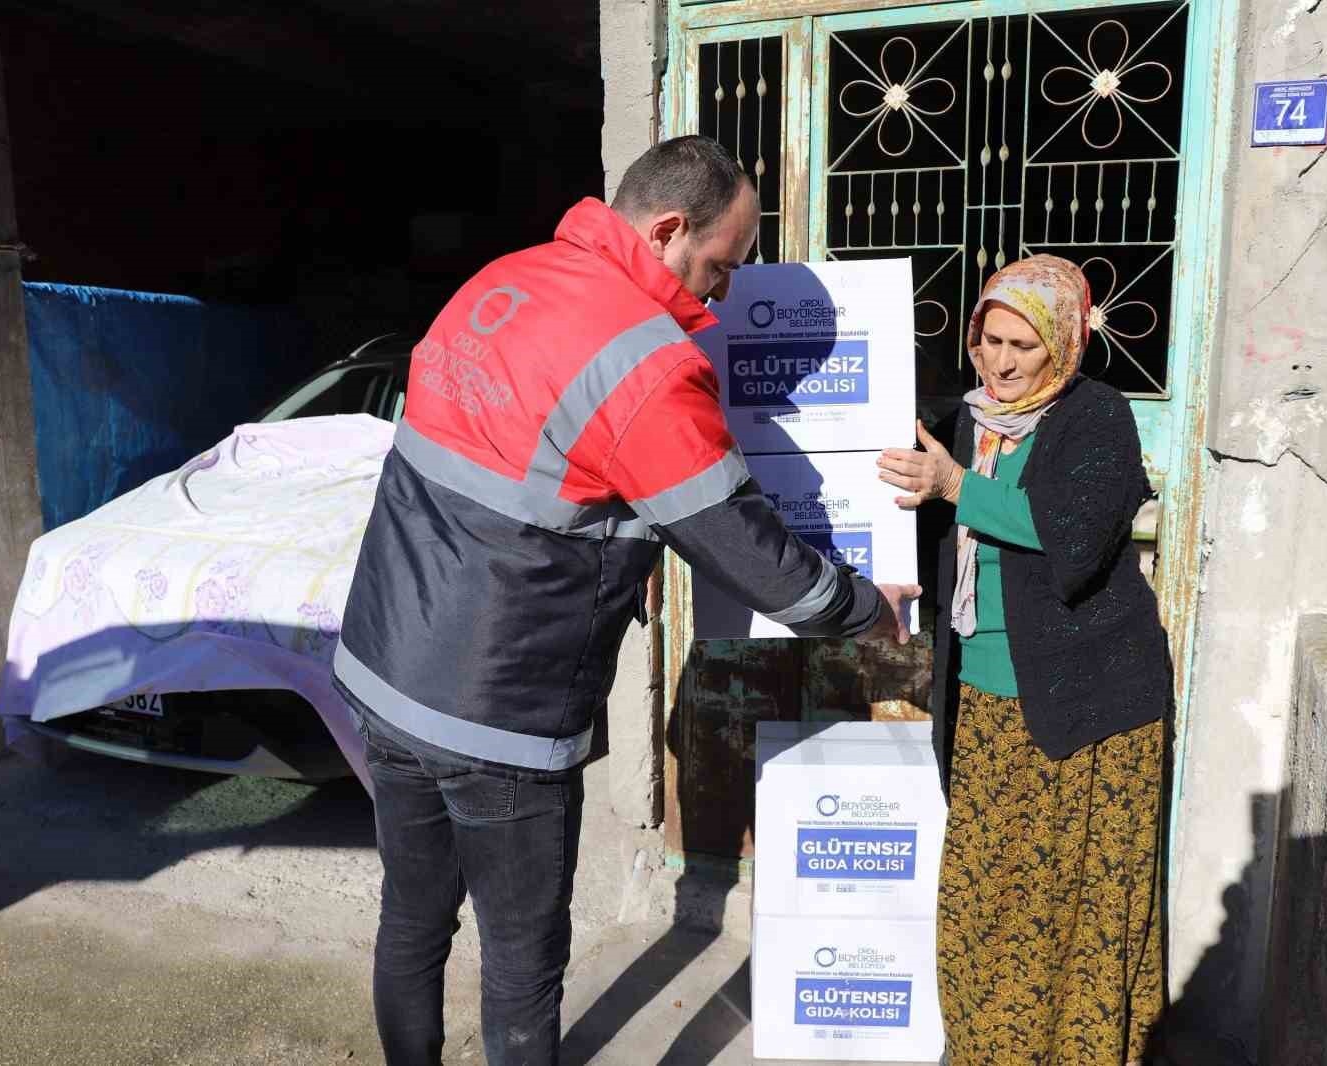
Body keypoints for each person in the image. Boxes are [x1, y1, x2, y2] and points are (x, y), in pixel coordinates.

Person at [333, 134, 919, 1066]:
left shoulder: (505, 277)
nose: (723, 294)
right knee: (522, 963)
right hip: (500, 712)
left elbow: (511, 470)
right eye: (719, 266)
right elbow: (744, 549)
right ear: (667, 226)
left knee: (411, 921)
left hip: (384, 667)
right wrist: (864, 611)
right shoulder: (643, 362)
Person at [877, 255, 1172, 1066]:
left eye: (1022, 347)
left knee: (1068, 906)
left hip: (1089, 709)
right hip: (986, 704)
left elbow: (1074, 543)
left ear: (1065, 346)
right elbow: (935, 527)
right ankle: (982, 1049)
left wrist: (954, 486)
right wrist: (898, 569)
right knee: (982, 901)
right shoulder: (968, 419)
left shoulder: (1096, 417)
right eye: (986, 341)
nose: (999, 363)